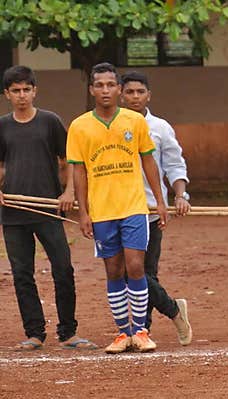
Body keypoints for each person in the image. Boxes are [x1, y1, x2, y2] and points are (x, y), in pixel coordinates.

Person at [67, 62, 168, 354]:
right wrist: (83, 212)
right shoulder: (79, 126)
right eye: (99, 85)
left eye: (111, 85)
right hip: (101, 211)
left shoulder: (135, 122)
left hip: (134, 206)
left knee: (136, 266)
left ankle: (141, 331)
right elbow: (79, 171)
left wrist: (160, 202)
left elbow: (149, 161)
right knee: (113, 270)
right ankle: (123, 333)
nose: (105, 90)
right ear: (91, 90)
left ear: (119, 90)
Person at [0, 66, 97, 351]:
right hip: (14, 213)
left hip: (49, 209)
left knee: (63, 269)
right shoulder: (3, 125)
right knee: (21, 274)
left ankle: (68, 332)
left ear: (35, 91)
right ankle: (34, 334)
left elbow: (71, 160)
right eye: (15, 91)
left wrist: (67, 192)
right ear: (7, 94)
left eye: (26, 90)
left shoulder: (49, 121)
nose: (21, 95)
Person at [120, 71, 193, 346]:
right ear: (121, 94)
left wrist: (180, 195)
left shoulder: (160, 128)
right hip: (117, 208)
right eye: (130, 92)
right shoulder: (111, 126)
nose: (135, 97)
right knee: (124, 271)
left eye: (140, 92)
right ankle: (172, 310)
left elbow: (175, 164)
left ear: (148, 95)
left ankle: (143, 330)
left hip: (151, 211)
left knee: (143, 272)